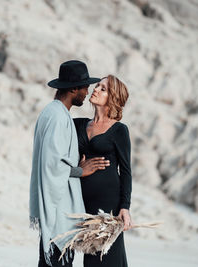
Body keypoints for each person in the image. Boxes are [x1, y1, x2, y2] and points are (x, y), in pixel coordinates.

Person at [29, 60, 110, 267]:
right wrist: (80, 171)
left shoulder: (54, 112)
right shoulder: (57, 117)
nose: (87, 92)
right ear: (74, 88)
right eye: (84, 87)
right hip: (58, 212)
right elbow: (52, 164)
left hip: (55, 209)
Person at [73, 75, 133, 267]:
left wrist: (125, 206)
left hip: (109, 204)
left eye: (103, 89)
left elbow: (125, 171)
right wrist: (78, 170)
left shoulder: (119, 130)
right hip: (83, 202)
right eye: (97, 86)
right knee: (90, 255)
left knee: (107, 255)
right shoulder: (78, 124)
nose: (96, 89)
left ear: (113, 98)